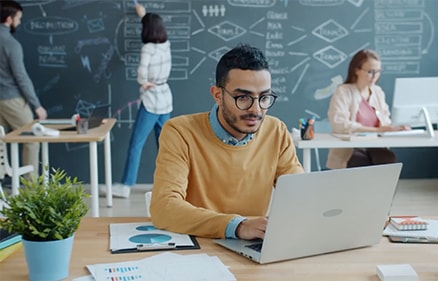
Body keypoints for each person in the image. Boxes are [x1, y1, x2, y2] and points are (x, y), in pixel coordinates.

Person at [150, 43, 303, 239]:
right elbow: (163, 208)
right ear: (217, 95)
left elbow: (299, 193)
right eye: (243, 97)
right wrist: (237, 226)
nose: (256, 110)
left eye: (264, 97)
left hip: (252, 247)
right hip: (198, 245)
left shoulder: (276, 131)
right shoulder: (180, 132)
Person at [104, 4, 173, 198]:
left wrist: (143, 82)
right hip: (165, 99)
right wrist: (143, 15)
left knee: (136, 143)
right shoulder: (165, 44)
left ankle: (126, 186)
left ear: (147, 30)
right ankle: (168, 186)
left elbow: (141, 73)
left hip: (151, 101)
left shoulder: (148, 48)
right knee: (166, 146)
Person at [326, 49, 409, 169]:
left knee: (388, 159)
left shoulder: (378, 92)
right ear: (357, 70)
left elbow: (385, 123)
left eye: (378, 71)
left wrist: (396, 129)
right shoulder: (343, 91)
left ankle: (384, 188)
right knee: (360, 161)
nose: (375, 76)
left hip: (375, 146)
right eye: (370, 71)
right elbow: (339, 124)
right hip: (351, 150)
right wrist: (376, 130)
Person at [0, 0, 47, 178]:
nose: (19, 22)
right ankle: (30, 190)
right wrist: (37, 106)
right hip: (12, 100)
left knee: (0, 144)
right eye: (18, 18)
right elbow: (21, 77)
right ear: (8, 19)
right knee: (31, 139)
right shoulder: (11, 44)